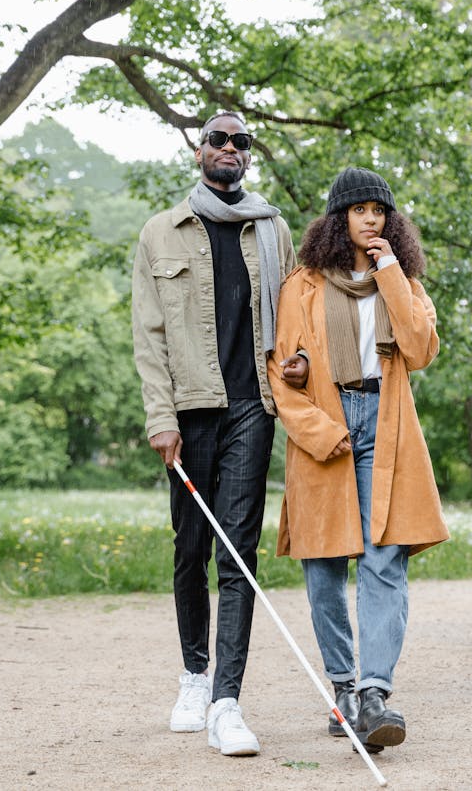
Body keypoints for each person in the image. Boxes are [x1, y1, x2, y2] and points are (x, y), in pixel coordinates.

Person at [132, 111, 307, 758]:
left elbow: (295, 319)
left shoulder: (273, 229)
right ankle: (193, 675)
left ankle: (227, 702)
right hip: (188, 409)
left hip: (251, 410)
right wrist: (160, 418)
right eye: (218, 139)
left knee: (238, 553)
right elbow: (148, 337)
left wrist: (301, 363)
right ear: (198, 149)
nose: (230, 148)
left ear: (247, 157)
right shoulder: (160, 233)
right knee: (190, 548)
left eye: (241, 142)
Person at [268, 166, 448, 753]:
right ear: (337, 218)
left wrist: (390, 269)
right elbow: (280, 371)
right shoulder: (302, 285)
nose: (371, 219)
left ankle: (374, 694)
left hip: (386, 426)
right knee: (323, 570)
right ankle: (343, 688)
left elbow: (419, 349)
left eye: (380, 211)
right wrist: (320, 430)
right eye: (360, 209)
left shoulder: (405, 282)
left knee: (383, 560)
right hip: (328, 425)